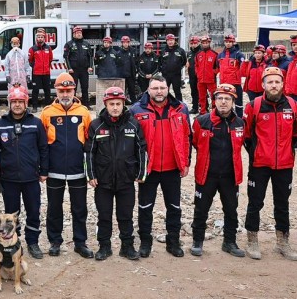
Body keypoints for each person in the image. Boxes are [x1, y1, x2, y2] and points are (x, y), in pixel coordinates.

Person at [242, 66, 297, 261]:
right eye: (270, 82)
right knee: (255, 202)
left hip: (284, 165)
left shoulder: (292, 104)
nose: (274, 85)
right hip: (259, 164)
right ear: (263, 84)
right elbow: (247, 136)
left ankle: (283, 242)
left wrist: (285, 151)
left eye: (277, 81)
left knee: (282, 204)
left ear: (283, 84)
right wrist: (258, 153)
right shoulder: (254, 106)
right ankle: (252, 240)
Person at [130, 75, 191, 258]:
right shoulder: (136, 110)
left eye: (162, 88)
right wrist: (136, 167)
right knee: (145, 207)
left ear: (167, 89)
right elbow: (131, 142)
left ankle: (173, 242)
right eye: (155, 88)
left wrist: (186, 162)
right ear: (148, 90)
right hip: (149, 169)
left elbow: (187, 137)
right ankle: (145, 243)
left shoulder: (181, 108)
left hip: (172, 168)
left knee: (174, 207)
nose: (159, 92)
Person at [84, 86, 146, 261]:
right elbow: (89, 152)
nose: (115, 107)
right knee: (104, 216)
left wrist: (141, 173)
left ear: (123, 104)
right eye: (111, 104)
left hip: (126, 180)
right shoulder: (96, 125)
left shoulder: (133, 124)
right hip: (103, 181)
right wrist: (91, 175)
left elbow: (141, 150)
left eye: (118, 104)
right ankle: (104, 247)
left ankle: (127, 246)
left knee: (125, 216)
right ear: (106, 104)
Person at [39, 72, 94, 258]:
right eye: (61, 91)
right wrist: (43, 169)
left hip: (77, 171)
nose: (65, 94)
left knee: (79, 209)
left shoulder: (84, 112)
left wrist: (90, 170)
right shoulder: (47, 113)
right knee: (54, 208)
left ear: (74, 91)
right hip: (54, 171)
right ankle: (55, 242)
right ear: (56, 91)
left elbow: (89, 142)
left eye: (68, 90)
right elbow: (41, 144)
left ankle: (80, 243)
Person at [189, 84, 246, 257]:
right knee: (201, 209)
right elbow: (195, 143)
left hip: (230, 176)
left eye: (227, 99)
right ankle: (197, 241)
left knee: (231, 210)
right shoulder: (202, 121)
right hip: (206, 174)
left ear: (233, 101)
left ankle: (229, 242)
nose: (223, 102)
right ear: (214, 100)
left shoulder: (240, 123)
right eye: (220, 98)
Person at [0, 85, 48, 259]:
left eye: (20, 101)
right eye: (14, 101)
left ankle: (32, 242)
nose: (17, 105)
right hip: (8, 178)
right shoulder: (0, 124)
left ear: (26, 103)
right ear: (9, 103)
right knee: (11, 214)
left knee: (33, 211)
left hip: (31, 177)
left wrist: (44, 170)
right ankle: (12, 243)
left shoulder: (36, 123)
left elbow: (43, 148)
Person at [63, 26, 94, 105]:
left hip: (84, 70)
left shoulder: (86, 44)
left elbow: (90, 56)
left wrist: (90, 67)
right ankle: (72, 104)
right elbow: (66, 57)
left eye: (80, 33)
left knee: (85, 87)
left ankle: (86, 104)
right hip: (74, 70)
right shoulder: (69, 44)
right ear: (74, 34)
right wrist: (69, 68)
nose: (79, 34)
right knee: (73, 88)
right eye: (77, 33)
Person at [216, 34, 245, 116]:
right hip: (224, 83)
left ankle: (239, 118)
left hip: (235, 83)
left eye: (230, 42)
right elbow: (217, 67)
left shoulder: (238, 54)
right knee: (225, 102)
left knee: (238, 103)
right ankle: (226, 117)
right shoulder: (220, 55)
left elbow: (243, 67)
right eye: (226, 42)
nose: (228, 43)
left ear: (233, 42)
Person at [28, 29, 54, 109]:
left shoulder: (48, 48)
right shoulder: (32, 49)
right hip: (36, 73)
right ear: (36, 38)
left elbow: (50, 59)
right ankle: (35, 107)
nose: (40, 38)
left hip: (46, 73)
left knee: (47, 90)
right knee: (35, 90)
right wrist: (35, 66)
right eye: (38, 37)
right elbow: (30, 60)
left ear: (44, 38)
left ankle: (47, 106)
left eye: (42, 37)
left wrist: (46, 67)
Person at [158, 34, 187, 103]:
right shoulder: (163, 51)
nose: (170, 42)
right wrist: (163, 70)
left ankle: (179, 105)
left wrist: (178, 68)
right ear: (166, 41)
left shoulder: (180, 50)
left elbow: (184, 61)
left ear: (174, 40)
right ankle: (164, 104)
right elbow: (159, 62)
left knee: (177, 91)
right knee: (164, 91)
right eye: (168, 40)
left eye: (171, 40)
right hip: (166, 75)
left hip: (176, 75)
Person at [194, 36, 218, 114]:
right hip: (201, 80)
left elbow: (218, 67)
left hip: (211, 80)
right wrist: (198, 73)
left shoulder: (215, 54)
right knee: (201, 97)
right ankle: (203, 112)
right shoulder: (198, 54)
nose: (205, 44)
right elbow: (196, 65)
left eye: (206, 43)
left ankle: (215, 112)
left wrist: (213, 72)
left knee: (213, 96)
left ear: (209, 43)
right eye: (203, 43)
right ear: (201, 44)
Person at [115, 36, 139, 103]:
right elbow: (116, 64)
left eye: (127, 42)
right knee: (121, 91)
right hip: (122, 76)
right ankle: (121, 104)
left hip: (131, 75)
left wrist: (136, 72)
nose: (125, 44)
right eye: (124, 42)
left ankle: (134, 104)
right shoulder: (118, 53)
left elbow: (137, 62)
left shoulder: (133, 51)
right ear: (122, 43)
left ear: (129, 43)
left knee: (132, 91)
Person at [186, 36, 201, 113]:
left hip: (200, 76)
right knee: (193, 92)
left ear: (198, 43)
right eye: (192, 43)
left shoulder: (201, 52)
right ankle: (195, 107)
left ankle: (204, 108)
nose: (193, 45)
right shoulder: (189, 53)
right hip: (192, 75)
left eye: (195, 43)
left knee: (202, 92)